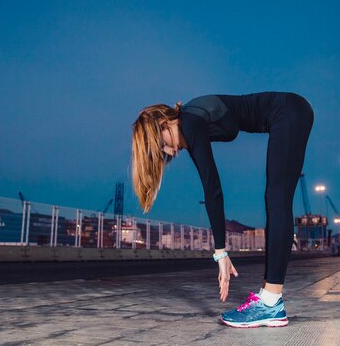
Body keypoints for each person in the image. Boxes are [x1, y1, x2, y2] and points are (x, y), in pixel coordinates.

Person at [131, 92, 313, 328]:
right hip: (288, 113)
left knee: (277, 199)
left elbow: (213, 189)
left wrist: (220, 253)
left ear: (167, 124)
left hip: (289, 110)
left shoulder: (191, 121)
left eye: (162, 143)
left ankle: (271, 303)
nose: (167, 151)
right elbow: (211, 189)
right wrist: (221, 253)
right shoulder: (190, 122)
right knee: (275, 199)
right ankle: (269, 299)